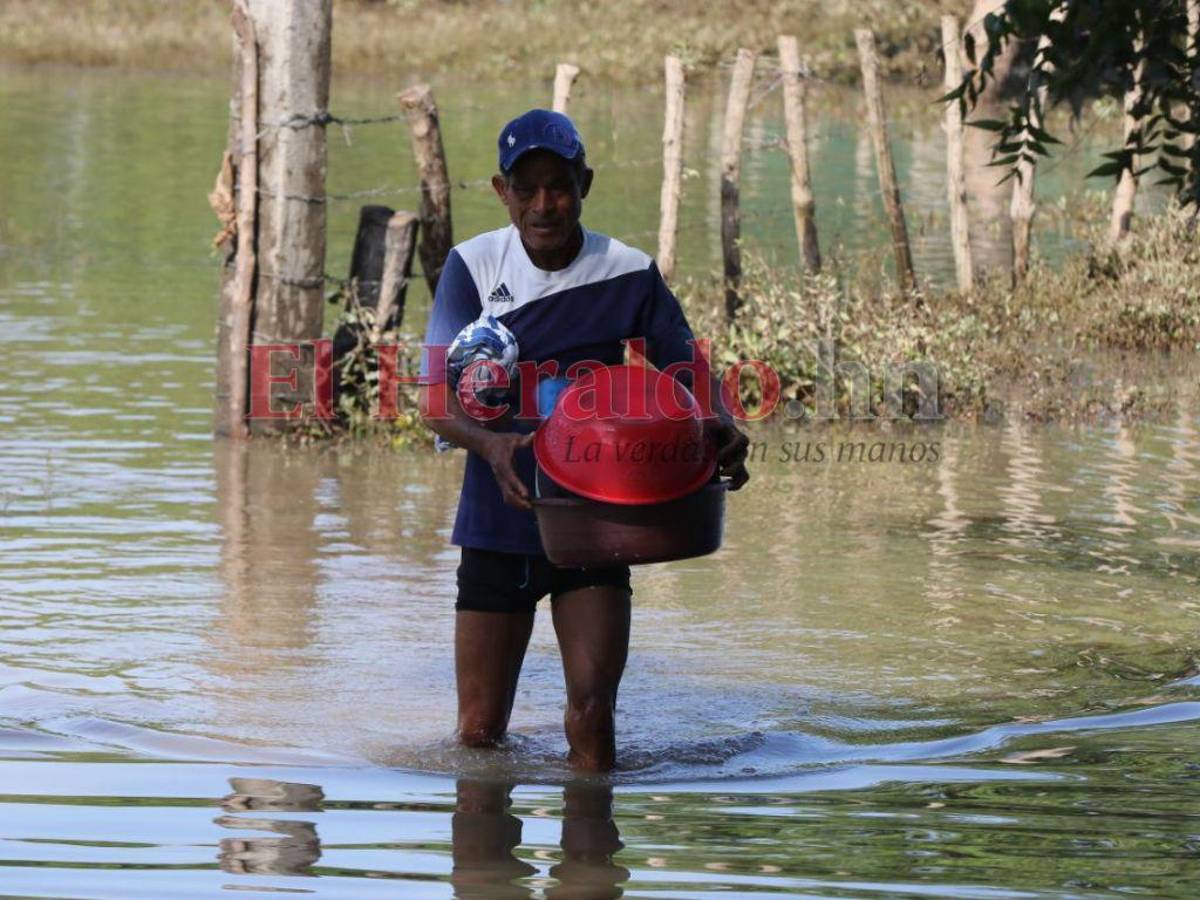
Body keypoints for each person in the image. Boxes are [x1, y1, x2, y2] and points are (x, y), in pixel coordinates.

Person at [418, 109, 749, 771]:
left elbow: (688, 370)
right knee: (480, 737)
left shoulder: (625, 271)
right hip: (497, 523)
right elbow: (434, 402)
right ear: (501, 191)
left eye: (560, 186)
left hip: (594, 522)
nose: (545, 205)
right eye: (528, 189)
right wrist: (491, 447)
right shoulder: (472, 266)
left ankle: (589, 864)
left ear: (585, 184)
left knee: (595, 719)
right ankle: (491, 868)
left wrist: (719, 426)